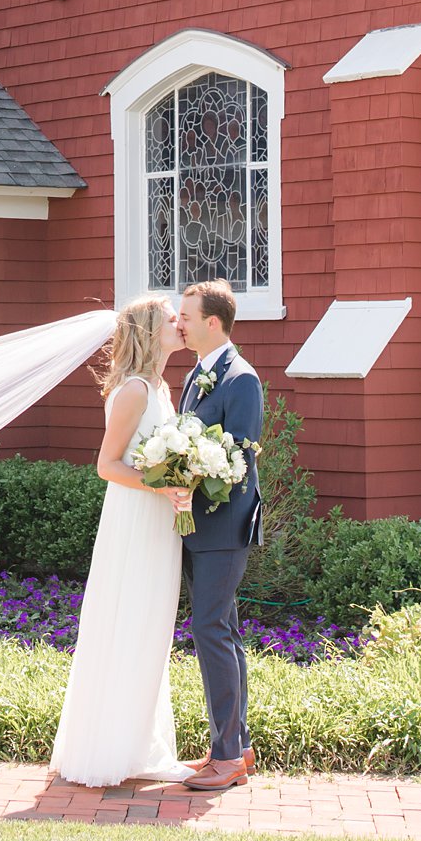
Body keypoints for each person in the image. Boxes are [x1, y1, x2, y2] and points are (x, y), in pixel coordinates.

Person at [48, 294, 194, 786]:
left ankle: (140, 748)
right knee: (132, 621)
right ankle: (111, 750)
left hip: (158, 520)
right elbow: (107, 466)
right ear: (152, 332)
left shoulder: (160, 387)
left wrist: (179, 484)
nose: (182, 324)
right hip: (134, 520)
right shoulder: (134, 390)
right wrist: (163, 484)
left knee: (151, 627)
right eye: (174, 320)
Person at [174, 279, 264, 793]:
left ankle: (226, 758)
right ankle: (235, 745)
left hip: (223, 529)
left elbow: (240, 461)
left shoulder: (241, 379)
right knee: (222, 631)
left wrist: (189, 476)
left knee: (209, 629)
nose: (179, 324)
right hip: (195, 527)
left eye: (186, 316)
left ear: (213, 322)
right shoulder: (196, 376)